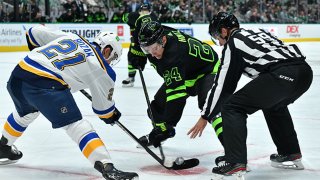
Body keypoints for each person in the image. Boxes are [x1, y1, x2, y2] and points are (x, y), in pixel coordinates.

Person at [0, 25, 139, 180]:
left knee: (26, 113)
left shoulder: (73, 37)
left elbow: (32, 33)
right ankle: (108, 168)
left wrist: (45, 60)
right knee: (76, 125)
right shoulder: (102, 68)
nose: (110, 61)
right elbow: (104, 111)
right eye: (112, 57)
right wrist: (112, 114)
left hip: (18, 75)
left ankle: (3, 147)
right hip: (45, 84)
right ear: (107, 50)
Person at [203, 12, 313, 176]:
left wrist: (206, 115)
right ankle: (290, 151)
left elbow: (223, 85)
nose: (218, 42)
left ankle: (235, 162)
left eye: (217, 36)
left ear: (224, 31)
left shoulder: (233, 43)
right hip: (304, 73)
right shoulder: (258, 32)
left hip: (282, 75)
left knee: (232, 107)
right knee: (273, 104)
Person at [137, 21, 223, 148]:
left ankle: (234, 153)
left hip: (208, 69)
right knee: (157, 106)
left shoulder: (172, 55)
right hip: (188, 71)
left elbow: (177, 96)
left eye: (154, 48)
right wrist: (138, 54)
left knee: (210, 106)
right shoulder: (159, 34)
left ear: (164, 40)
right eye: (146, 50)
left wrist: (170, 124)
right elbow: (139, 39)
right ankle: (160, 133)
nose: (152, 54)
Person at [121, 3, 158, 87]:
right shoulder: (134, 16)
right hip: (137, 44)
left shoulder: (153, 17)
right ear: (140, 11)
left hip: (149, 45)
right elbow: (124, 17)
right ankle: (131, 77)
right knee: (131, 58)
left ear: (150, 11)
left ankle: (166, 75)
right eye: (143, 10)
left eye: (146, 10)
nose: (144, 12)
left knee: (156, 61)